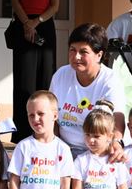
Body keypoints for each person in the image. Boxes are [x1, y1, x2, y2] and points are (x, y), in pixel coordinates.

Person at [10, 0, 60, 142]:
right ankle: (22, 133)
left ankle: (45, 131)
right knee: (24, 80)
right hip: (24, 26)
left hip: (45, 26)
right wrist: (27, 23)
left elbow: (54, 6)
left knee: (46, 78)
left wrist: (36, 22)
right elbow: (15, 2)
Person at [49, 23, 126, 158]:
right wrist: (52, 146)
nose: (76, 57)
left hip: (97, 153)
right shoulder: (61, 74)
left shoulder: (110, 80)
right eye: (72, 50)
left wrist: (116, 142)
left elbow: (118, 118)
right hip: (64, 151)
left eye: (83, 52)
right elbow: (50, 115)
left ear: (99, 55)